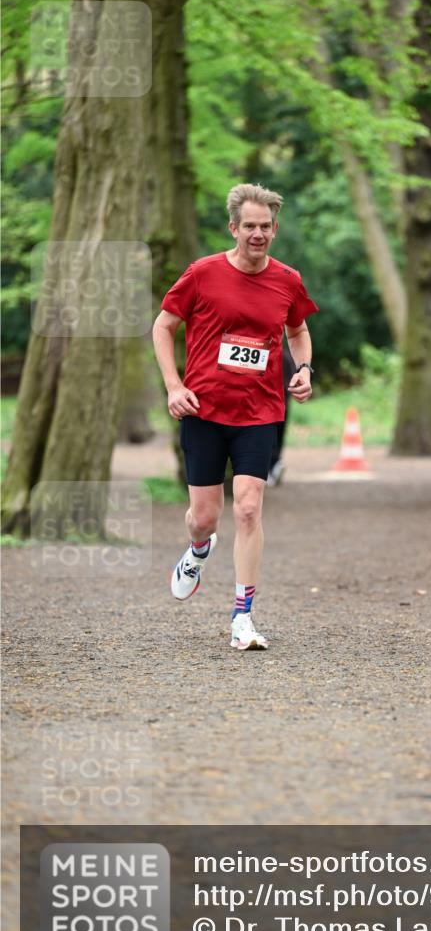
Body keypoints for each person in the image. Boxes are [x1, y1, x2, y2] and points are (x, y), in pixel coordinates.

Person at [152, 183, 318, 650]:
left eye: (265, 226)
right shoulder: (202, 273)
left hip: (259, 411)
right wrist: (174, 386)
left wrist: (304, 369)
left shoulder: (287, 280)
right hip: (204, 410)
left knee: (247, 508)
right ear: (233, 228)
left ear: (275, 229)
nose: (258, 234)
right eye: (249, 226)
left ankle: (242, 617)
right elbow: (163, 326)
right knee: (205, 517)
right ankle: (199, 548)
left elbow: (298, 330)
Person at [266, 345, 296, 487]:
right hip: (283, 405)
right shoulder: (287, 357)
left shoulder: (266, 355)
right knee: (278, 437)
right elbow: (292, 383)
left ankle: (272, 468)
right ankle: (276, 464)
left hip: (268, 406)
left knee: (270, 438)